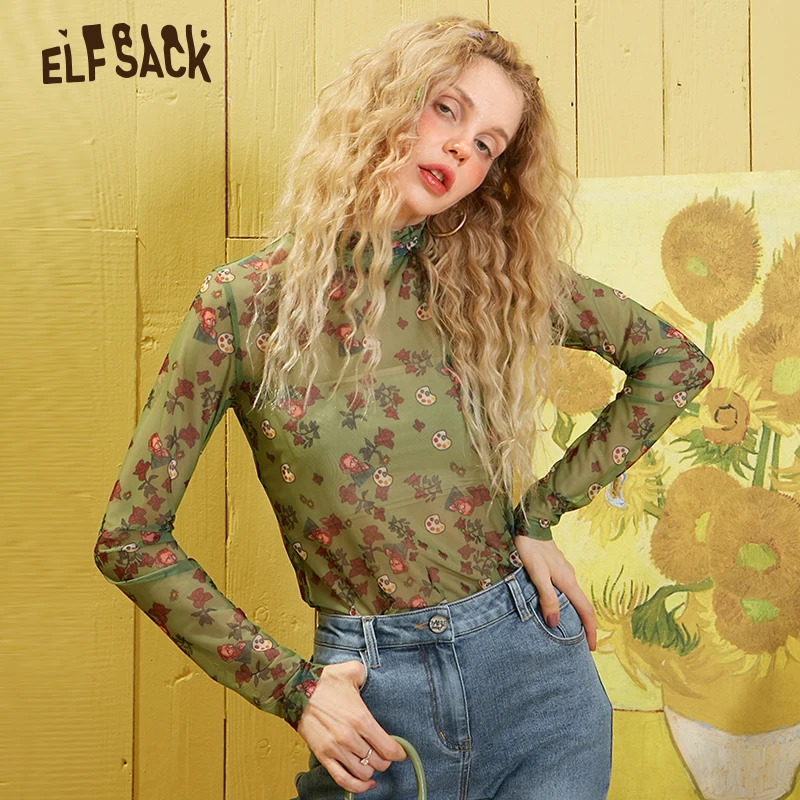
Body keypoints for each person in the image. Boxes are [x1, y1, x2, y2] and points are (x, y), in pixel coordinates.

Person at [93, 15, 714, 799]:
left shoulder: (487, 280)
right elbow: (128, 539)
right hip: (373, 705)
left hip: (537, 687)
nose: (461, 149)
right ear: (383, 102)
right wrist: (294, 688)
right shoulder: (242, 307)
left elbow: (676, 362)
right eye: (447, 109)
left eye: (487, 144)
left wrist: (539, 512)